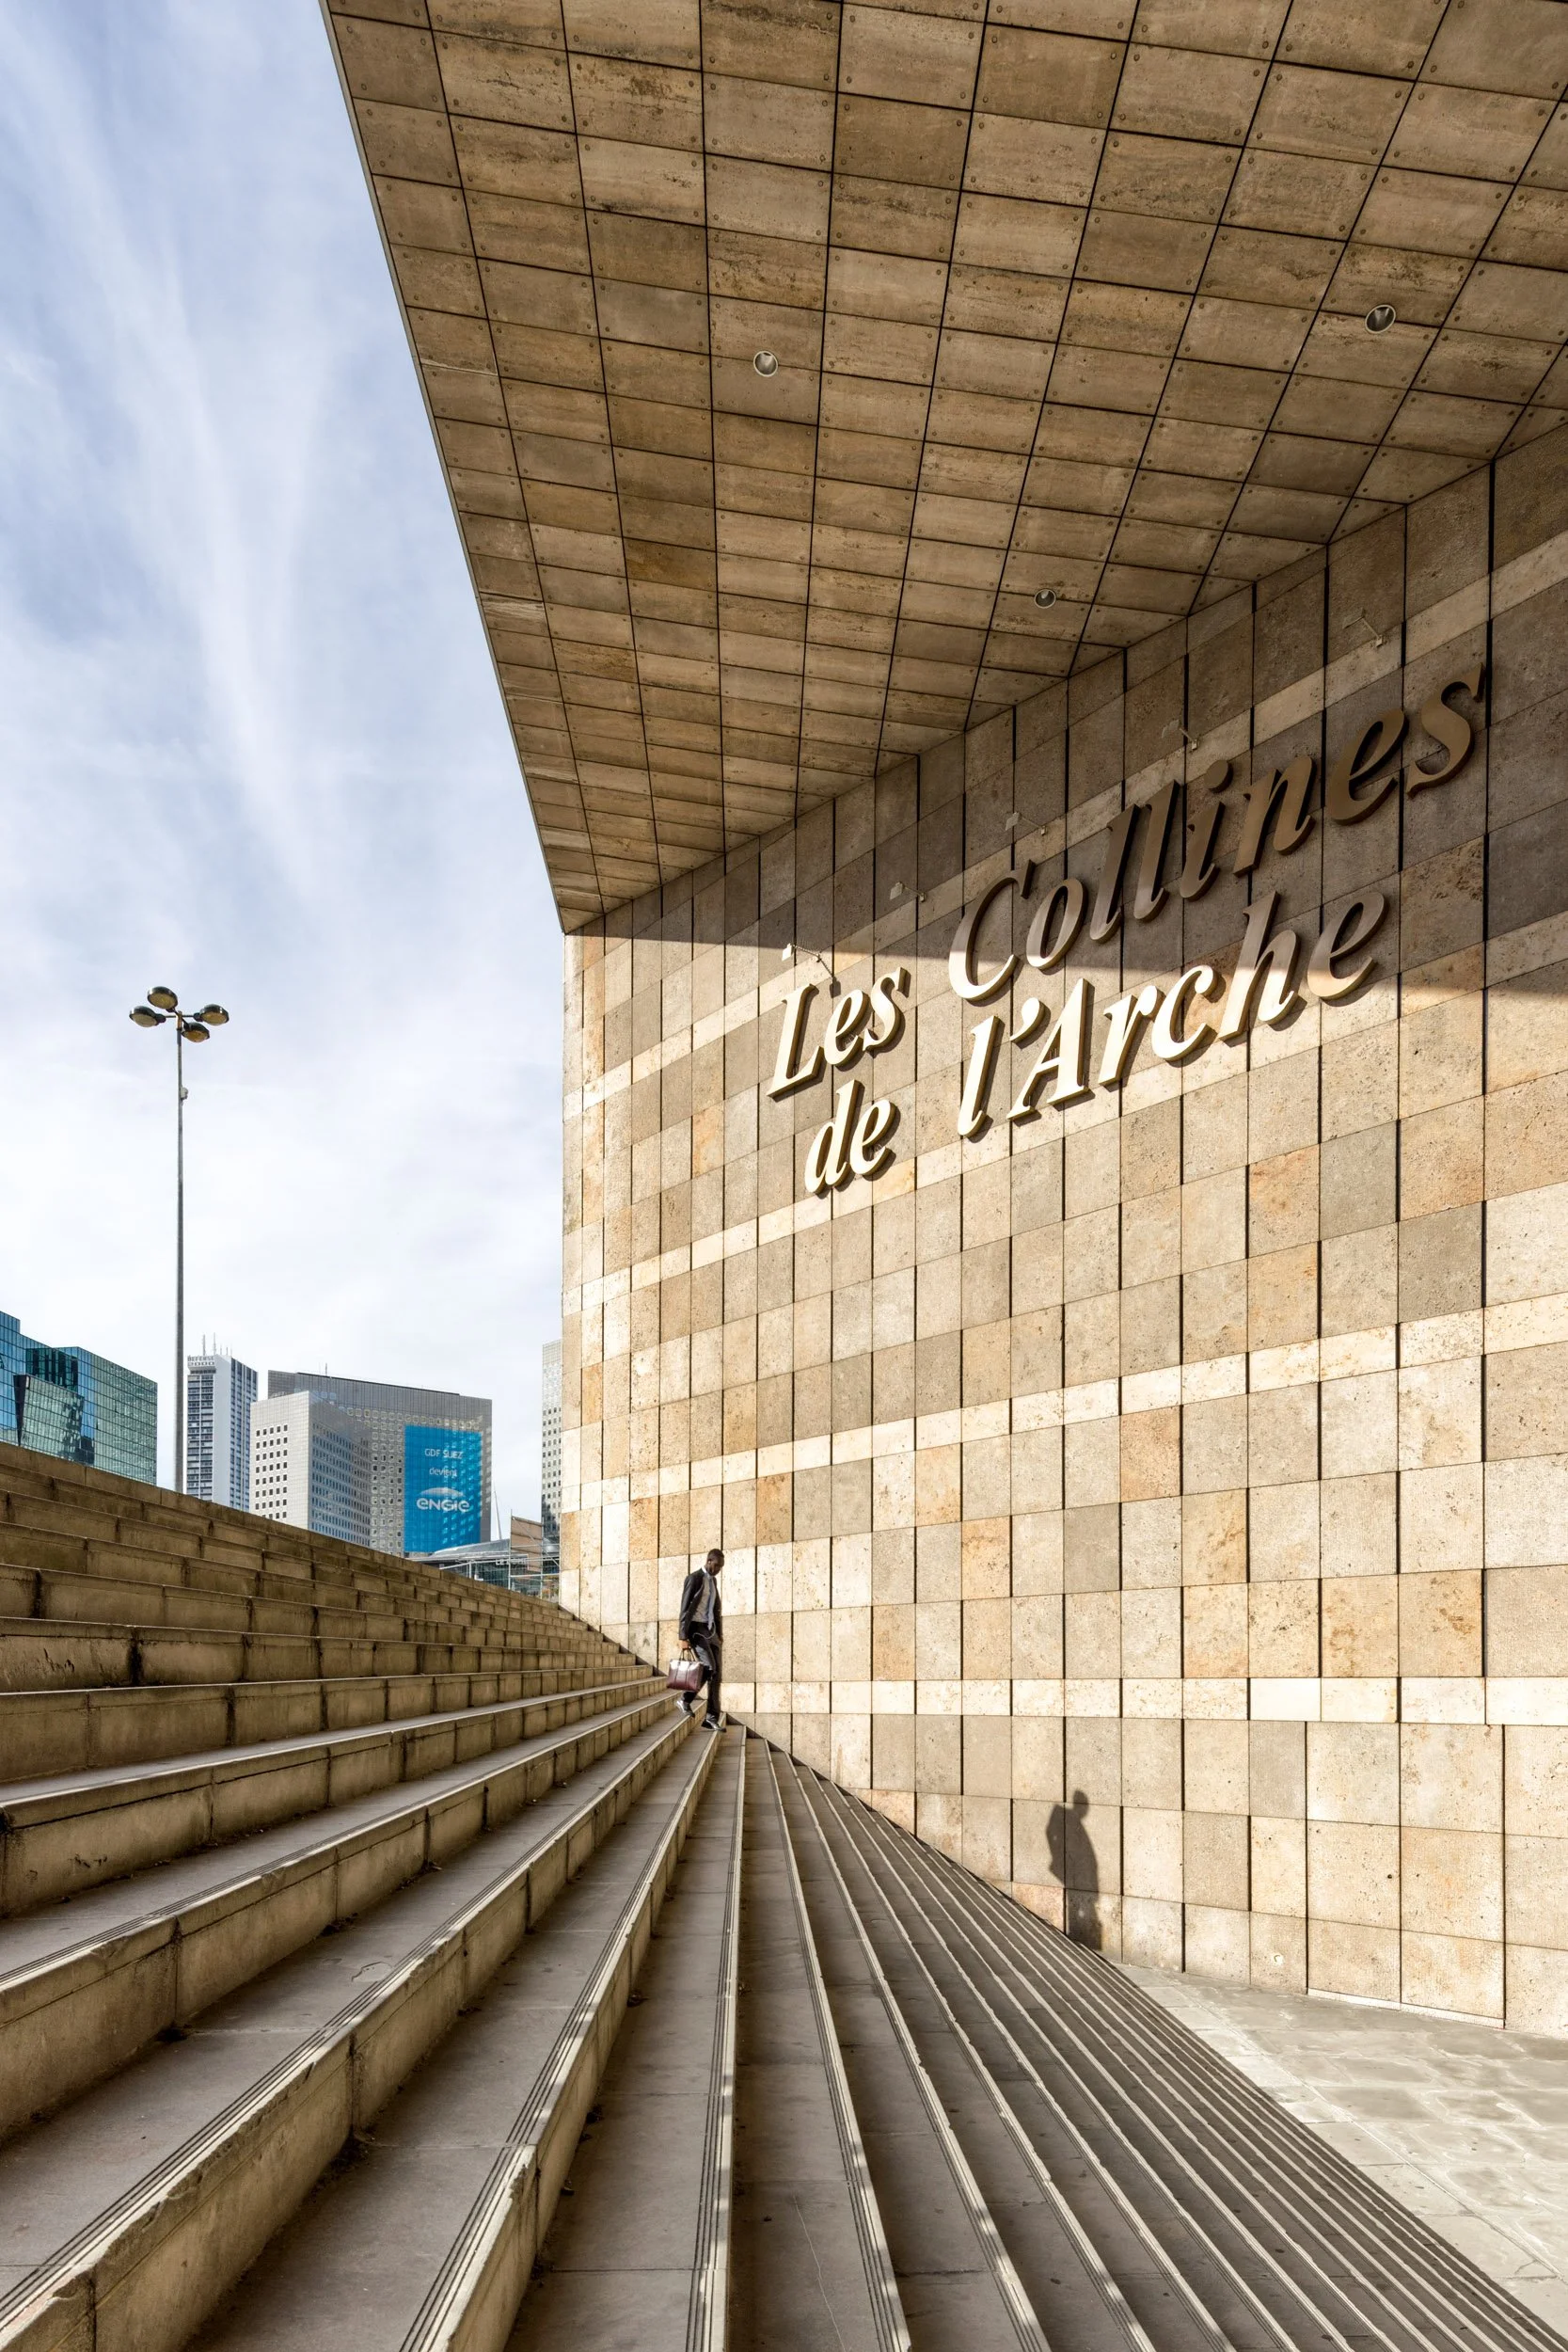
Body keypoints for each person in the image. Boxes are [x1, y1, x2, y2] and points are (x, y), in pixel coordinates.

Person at [677, 1547, 724, 1730]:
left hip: (711, 1631)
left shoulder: (713, 1582)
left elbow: (715, 1609)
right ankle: (685, 1699)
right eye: (717, 1566)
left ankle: (711, 1718)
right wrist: (682, 1635)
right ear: (709, 1561)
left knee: (716, 1674)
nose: (719, 1570)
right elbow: (684, 1608)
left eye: (721, 1567)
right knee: (709, 1667)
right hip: (696, 1629)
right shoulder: (694, 1579)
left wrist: (719, 1634)